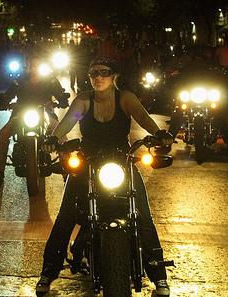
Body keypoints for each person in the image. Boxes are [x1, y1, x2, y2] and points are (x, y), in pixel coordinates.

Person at [36, 56, 172, 296]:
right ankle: (48, 272)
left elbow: (144, 119)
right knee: (66, 215)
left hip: (122, 161)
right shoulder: (83, 100)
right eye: (93, 73)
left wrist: (159, 134)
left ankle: (158, 275)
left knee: (142, 214)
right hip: (88, 161)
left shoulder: (125, 98)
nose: (98, 77)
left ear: (114, 76)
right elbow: (67, 122)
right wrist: (53, 139)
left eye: (104, 72)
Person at [0, 54, 68, 179]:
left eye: (37, 65)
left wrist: (62, 99)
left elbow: (59, 94)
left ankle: (67, 170)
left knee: (62, 134)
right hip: (21, 113)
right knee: (4, 133)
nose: (34, 67)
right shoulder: (20, 80)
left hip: (46, 113)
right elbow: (9, 93)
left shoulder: (51, 80)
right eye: (32, 65)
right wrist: (4, 100)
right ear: (28, 66)